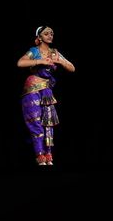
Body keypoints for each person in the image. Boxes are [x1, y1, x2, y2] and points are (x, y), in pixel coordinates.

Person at [17, 26, 75, 166]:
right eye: (46, 33)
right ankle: (39, 155)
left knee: (48, 123)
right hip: (32, 88)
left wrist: (60, 61)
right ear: (40, 37)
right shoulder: (34, 51)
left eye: (51, 33)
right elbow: (20, 63)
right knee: (36, 122)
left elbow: (72, 68)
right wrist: (39, 61)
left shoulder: (55, 52)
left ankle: (48, 155)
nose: (50, 35)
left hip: (47, 91)